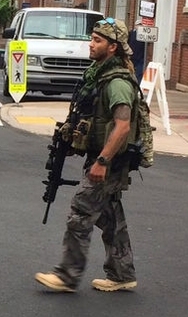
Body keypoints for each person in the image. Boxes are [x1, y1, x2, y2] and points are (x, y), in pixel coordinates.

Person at [35, 17, 139, 293]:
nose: (91, 45)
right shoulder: (99, 74)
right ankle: (122, 274)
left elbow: (123, 125)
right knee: (109, 216)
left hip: (109, 160)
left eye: (97, 41)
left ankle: (67, 275)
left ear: (113, 47)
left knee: (81, 212)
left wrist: (102, 162)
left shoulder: (117, 82)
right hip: (102, 156)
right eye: (91, 39)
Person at [128, 19, 146, 84]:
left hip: (140, 57)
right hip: (132, 56)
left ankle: (138, 85)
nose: (139, 26)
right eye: (138, 25)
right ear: (135, 26)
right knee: (130, 72)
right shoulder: (131, 33)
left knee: (139, 73)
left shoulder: (144, 35)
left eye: (140, 25)